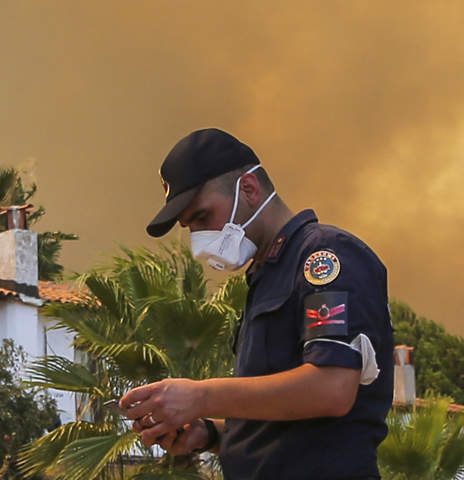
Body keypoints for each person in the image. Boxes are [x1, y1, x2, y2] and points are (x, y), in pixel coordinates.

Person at [119, 128, 394, 480]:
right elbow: (281, 423)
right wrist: (210, 433)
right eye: (189, 227)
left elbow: (332, 388)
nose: (199, 239)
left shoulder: (323, 257)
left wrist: (201, 396)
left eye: (203, 217)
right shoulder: (265, 276)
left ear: (249, 189)